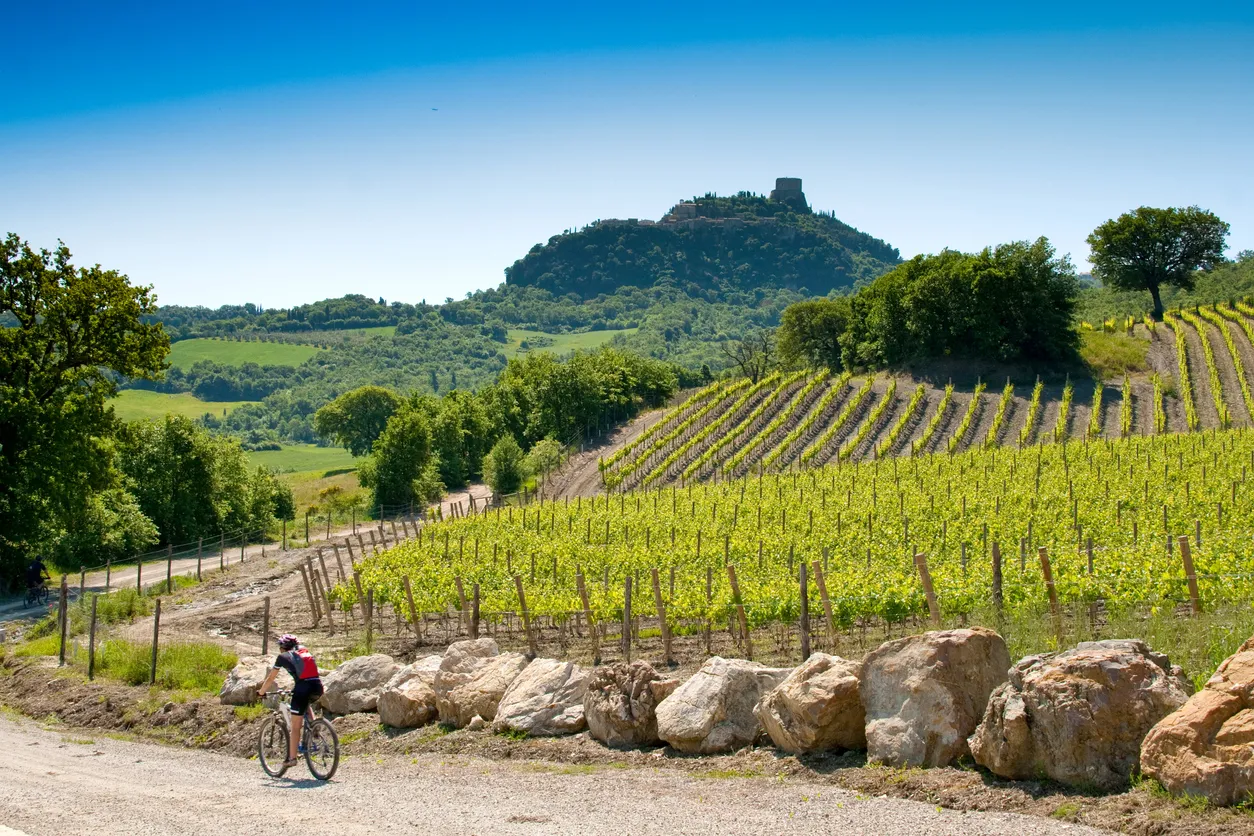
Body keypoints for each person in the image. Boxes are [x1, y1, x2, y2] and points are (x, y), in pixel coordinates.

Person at [257, 634, 323, 768]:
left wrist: (261, 692)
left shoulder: (282, 657)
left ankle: (292, 758)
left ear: (282, 648)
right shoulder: (304, 652)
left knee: (295, 726)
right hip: (317, 686)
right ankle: (314, 726)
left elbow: (271, 679)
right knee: (306, 703)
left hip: (302, 688)